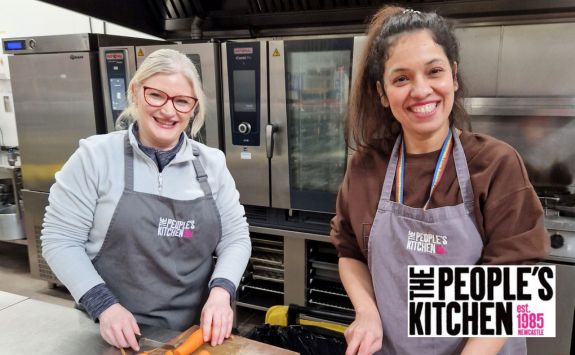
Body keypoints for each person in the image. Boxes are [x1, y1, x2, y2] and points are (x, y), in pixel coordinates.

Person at [330, 6, 549, 355]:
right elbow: (349, 251)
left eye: (434, 71)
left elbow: (517, 288)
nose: (421, 90)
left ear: (454, 76)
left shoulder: (496, 164)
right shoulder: (366, 167)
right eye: (401, 78)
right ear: (383, 93)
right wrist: (367, 312)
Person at [41, 49, 251, 351]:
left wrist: (221, 292)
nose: (169, 111)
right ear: (135, 93)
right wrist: (103, 306)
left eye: (182, 101)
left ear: (193, 109)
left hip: (192, 334)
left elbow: (235, 237)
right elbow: (59, 239)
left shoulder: (211, 164)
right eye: (157, 96)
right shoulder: (94, 157)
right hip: (110, 329)